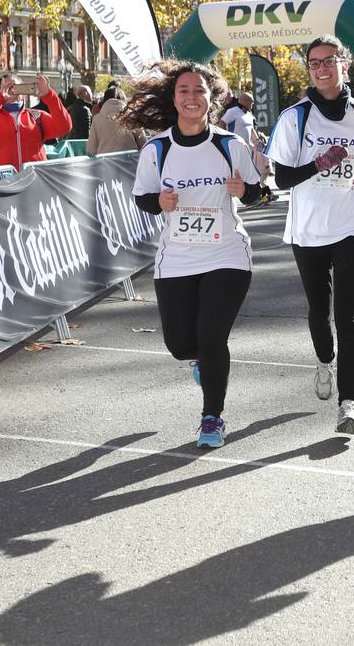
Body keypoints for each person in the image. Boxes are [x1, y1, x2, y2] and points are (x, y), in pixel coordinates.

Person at [266, 35, 354, 435]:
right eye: (314, 64)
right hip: (308, 227)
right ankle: (325, 360)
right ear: (309, 70)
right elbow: (282, 177)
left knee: (348, 317)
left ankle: (349, 404)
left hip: (351, 223)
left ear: (344, 65)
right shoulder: (296, 117)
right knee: (319, 314)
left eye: (328, 61)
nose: (322, 69)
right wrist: (319, 163)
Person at [128, 61, 263, 448]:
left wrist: (244, 191)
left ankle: (212, 418)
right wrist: (160, 200)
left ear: (211, 98)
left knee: (211, 336)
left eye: (199, 90)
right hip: (178, 258)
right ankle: (201, 361)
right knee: (180, 345)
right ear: (174, 98)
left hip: (226, 254)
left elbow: (258, 193)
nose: (191, 97)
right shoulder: (157, 149)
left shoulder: (229, 145)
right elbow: (142, 198)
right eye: (184, 90)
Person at [0, 72, 72, 170]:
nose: (11, 91)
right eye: (6, 87)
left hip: (34, 179)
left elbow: (64, 126)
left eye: (15, 87)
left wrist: (49, 95)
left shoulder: (36, 116)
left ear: (24, 93)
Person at [87, 84, 144, 156]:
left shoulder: (97, 119)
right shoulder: (133, 117)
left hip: (105, 164)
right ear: (124, 99)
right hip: (130, 163)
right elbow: (143, 144)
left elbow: (91, 149)